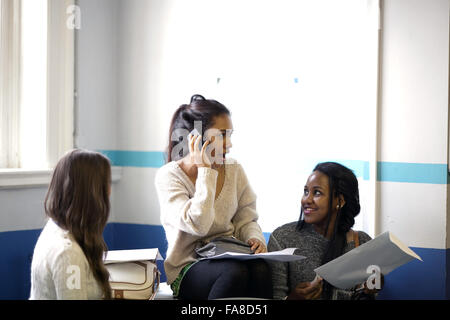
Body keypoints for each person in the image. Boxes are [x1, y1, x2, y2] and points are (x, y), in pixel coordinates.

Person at [155, 94, 272, 300]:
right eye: (222, 135)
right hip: (188, 266)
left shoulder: (234, 170)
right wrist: (205, 171)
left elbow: (246, 218)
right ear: (197, 137)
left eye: (230, 135)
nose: (229, 144)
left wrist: (254, 238)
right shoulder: (169, 176)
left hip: (228, 255)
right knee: (234, 273)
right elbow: (198, 224)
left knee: (261, 269)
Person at [268, 162, 383, 300]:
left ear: (339, 201)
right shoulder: (282, 239)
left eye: (317, 192)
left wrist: (371, 288)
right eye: (306, 191)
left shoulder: (363, 242)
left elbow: (370, 293)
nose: (307, 199)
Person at [30, 149, 112, 300]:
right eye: (106, 184)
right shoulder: (68, 253)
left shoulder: (54, 228)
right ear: (92, 194)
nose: (109, 191)